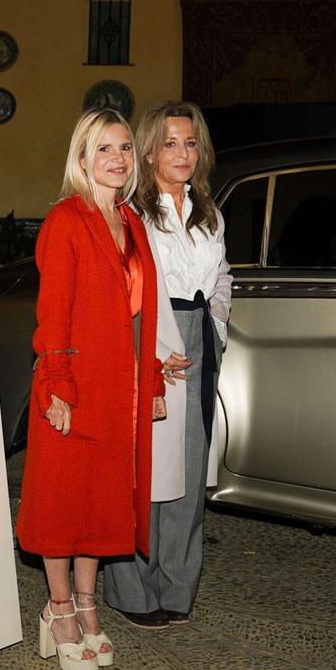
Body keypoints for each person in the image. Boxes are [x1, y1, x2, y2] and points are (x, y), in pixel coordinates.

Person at [15, 109, 167, 670]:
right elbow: (51, 313)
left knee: (99, 502)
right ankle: (58, 610)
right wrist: (56, 383)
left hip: (117, 387)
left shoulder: (131, 221)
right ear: (82, 158)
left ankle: (86, 602)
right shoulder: (65, 220)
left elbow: (141, 316)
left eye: (125, 148)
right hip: (74, 386)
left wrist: (148, 380)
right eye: (104, 149)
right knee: (61, 503)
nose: (118, 159)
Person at [104, 101, 232, 630]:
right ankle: (132, 591)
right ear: (151, 150)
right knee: (144, 473)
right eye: (171, 142)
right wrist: (154, 348)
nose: (183, 152)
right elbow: (127, 289)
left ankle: (177, 587)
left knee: (189, 472)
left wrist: (215, 329)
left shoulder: (209, 211)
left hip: (199, 339)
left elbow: (223, 275)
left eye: (192, 142)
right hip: (150, 340)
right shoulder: (132, 214)